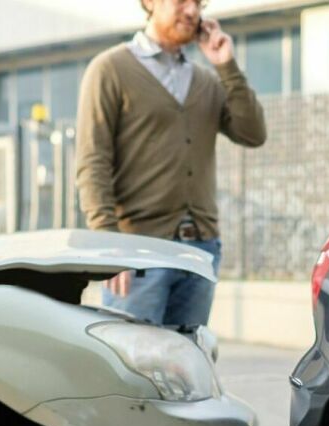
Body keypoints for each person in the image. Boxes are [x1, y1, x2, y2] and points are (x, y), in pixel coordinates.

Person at [75, 0, 265, 327]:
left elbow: (253, 133)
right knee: (131, 367)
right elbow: (92, 163)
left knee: (185, 367)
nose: (192, 11)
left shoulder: (206, 80)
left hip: (200, 250)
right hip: (137, 251)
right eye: (181, 1)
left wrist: (226, 65)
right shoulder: (110, 69)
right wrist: (109, 245)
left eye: (198, 3)